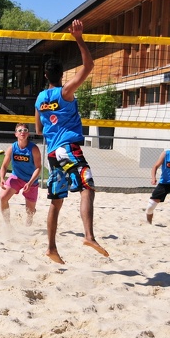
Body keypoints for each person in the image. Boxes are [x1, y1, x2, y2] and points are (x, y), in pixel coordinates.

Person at [35, 20, 108, 264]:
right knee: (88, 186)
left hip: (53, 153)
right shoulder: (65, 92)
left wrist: (51, 120)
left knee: (57, 202)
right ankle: (89, 235)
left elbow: (38, 128)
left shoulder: (40, 99)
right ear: (62, 75)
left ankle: (52, 248)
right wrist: (78, 38)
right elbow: (89, 66)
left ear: (46, 75)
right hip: (68, 147)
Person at [0, 123, 42, 226]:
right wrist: (1, 178)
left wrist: (30, 183)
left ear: (28, 134)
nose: (23, 132)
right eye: (20, 130)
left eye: (25, 130)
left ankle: (28, 222)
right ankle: (8, 225)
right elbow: (4, 166)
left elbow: (38, 168)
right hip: (16, 177)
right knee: (3, 198)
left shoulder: (34, 148)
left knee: (30, 211)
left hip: (31, 180)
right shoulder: (12, 148)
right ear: (16, 134)